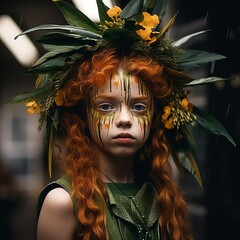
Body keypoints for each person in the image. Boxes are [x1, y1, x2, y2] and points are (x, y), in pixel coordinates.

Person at [10, 0, 235, 239]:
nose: (125, 119)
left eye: (139, 106)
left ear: (155, 114)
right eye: (106, 106)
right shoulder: (63, 202)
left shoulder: (164, 195)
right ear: (83, 115)